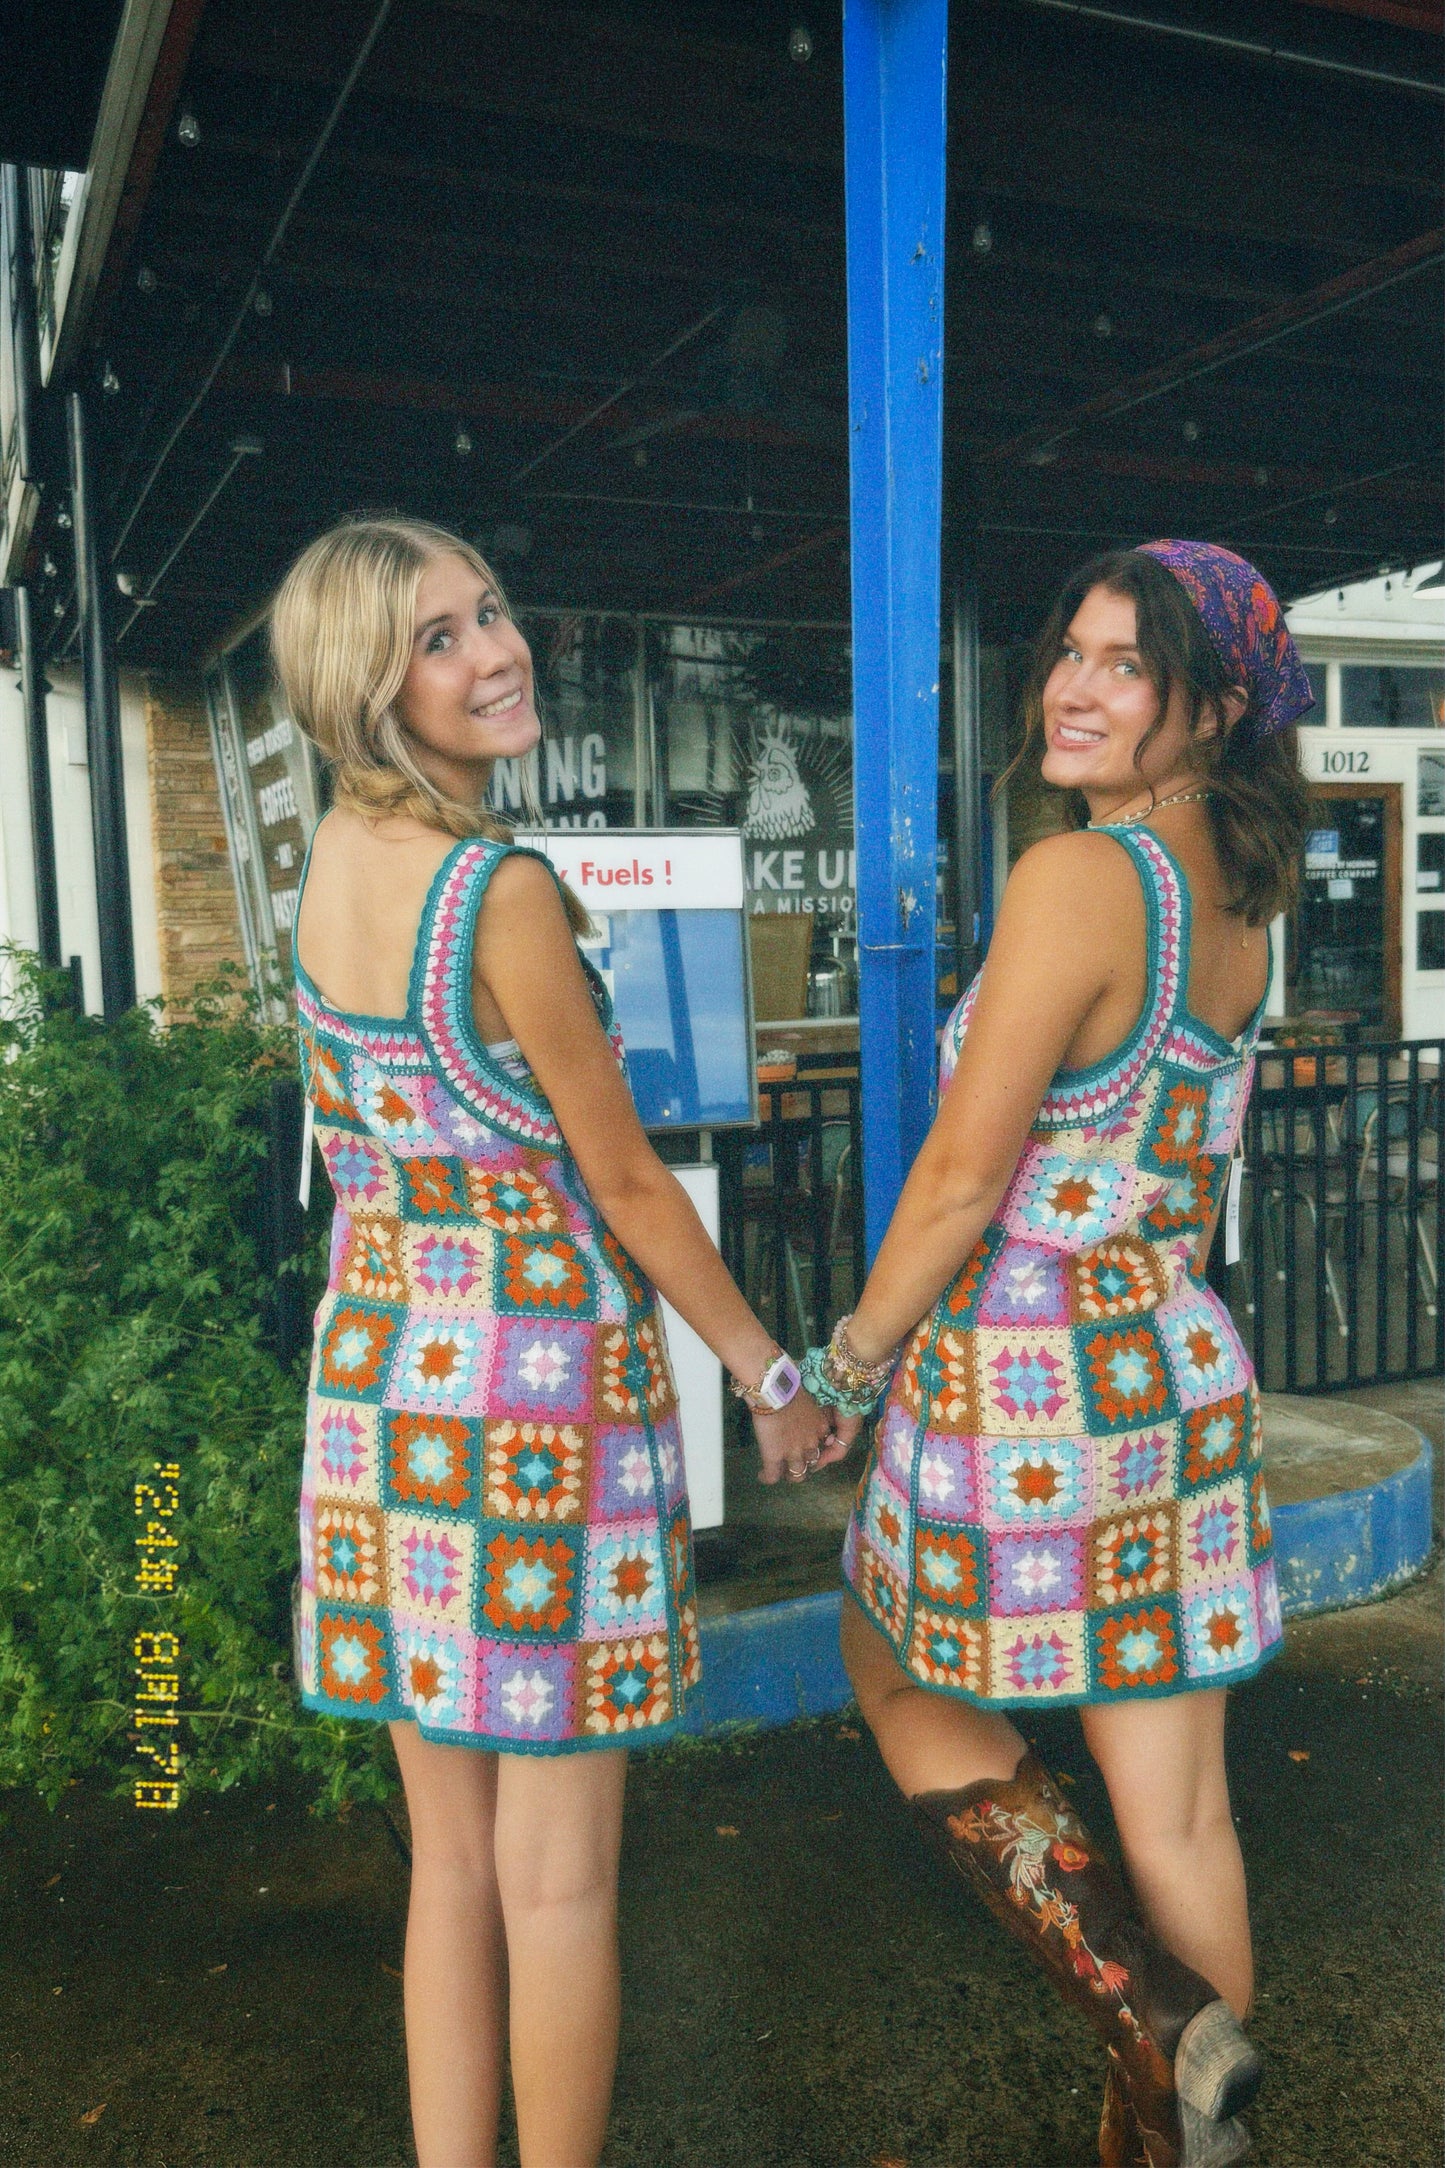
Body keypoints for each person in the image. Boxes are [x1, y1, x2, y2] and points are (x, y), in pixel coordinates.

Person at [270, 515, 841, 2168]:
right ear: (366, 687)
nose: (493, 650)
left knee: (449, 1869)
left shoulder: (334, 867)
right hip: (529, 1400)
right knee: (559, 1876)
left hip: (381, 1378)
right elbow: (622, 1178)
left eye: (491, 611)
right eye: (437, 639)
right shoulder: (491, 886)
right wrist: (767, 1374)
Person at [803, 542, 1312, 2168]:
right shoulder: (1235, 892)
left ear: (1215, 707)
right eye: (1069, 652)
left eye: (1126, 666)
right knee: (1176, 1808)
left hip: (1021, 1375)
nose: (1073, 689)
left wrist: (843, 1370)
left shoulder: (1082, 878)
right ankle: (1175, 2115)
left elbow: (964, 1174)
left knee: (884, 1661)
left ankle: (1157, 2029)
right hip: (1164, 1365)